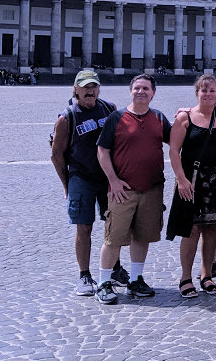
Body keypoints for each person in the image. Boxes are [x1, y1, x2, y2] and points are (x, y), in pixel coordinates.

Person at [93, 74, 172, 305]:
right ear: (130, 91)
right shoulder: (116, 118)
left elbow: (176, 142)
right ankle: (104, 282)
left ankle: (136, 279)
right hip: (122, 190)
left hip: (152, 188)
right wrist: (113, 180)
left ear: (153, 93)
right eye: (137, 88)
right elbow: (102, 150)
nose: (141, 92)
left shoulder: (159, 118)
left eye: (146, 88)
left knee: (142, 236)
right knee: (113, 237)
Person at [49, 69, 127, 296]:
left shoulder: (109, 109)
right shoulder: (67, 118)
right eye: (85, 87)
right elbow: (56, 155)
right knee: (84, 227)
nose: (90, 91)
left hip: (107, 177)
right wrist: (67, 184)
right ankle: (84, 275)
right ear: (76, 89)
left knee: (113, 225)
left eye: (93, 86)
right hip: (81, 177)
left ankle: (115, 268)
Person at [167, 74, 216, 298]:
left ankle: (206, 275)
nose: (208, 94)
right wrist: (181, 179)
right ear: (197, 92)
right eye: (203, 90)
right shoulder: (184, 117)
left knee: (213, 228)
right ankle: (185, 277)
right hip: (193, 180)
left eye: (212, 90)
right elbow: (173, 151)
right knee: (192, 229)